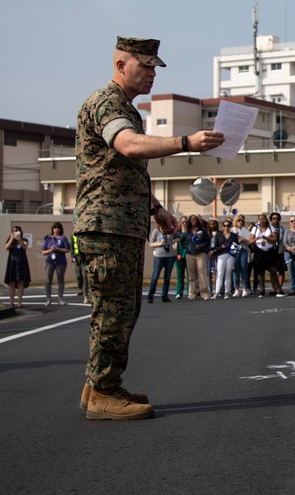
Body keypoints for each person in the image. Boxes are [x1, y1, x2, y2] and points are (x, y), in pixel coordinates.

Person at [75, 36, 224, 420]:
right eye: (145, 66)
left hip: (118, 224)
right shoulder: (107, 103)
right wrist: (186, 142)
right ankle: (104, 392)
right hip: (107, 226)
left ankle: (97, 386)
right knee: (116, 310)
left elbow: (124, 171)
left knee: (117, 307)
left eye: (155, 67)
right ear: (121, 64)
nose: (152, 74)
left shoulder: (124, 106)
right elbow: (127, 146)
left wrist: (156, 208)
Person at [250, 213, 281, 297]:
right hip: (259, 252)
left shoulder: (271, 228)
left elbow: (274, 239)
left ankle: (278, 290)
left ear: (266, 220)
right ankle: (261, 291)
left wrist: (266, 238)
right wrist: (256, 238)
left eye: (263, 219)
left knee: (273, 270)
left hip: (269, 252)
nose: (262, 221)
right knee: (260, 272)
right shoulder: (255, 229)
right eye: (260, 219)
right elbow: (250, 241)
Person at [182, 214, 211, 300]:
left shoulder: (202, 230)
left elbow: (207, 241)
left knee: (202, 274)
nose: (193, 220)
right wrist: (185, 246)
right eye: (192, 219)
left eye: (195, 219)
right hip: (190, 254)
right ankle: (192, 294)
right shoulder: (186, 232)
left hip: (200, 254)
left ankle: (204, 293)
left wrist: (202, 246)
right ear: (189, 221)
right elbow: (182, 241)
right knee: (191, 275)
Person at [41, 221, 71, 306]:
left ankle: (60, 298)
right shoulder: (48, 238)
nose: (56, 229)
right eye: (55, 228)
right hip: (50, 261)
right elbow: (43, 251)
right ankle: (48, 299)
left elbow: (67, 249)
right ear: (52, 229)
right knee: (48, 279)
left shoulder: (63, 238)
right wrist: (50, 250)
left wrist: (58, 249)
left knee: (60, 279)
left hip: (60, 261)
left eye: (58, 228)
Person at [146, 219, 175, 303]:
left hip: (170, 255)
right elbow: (151, 244)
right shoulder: (156, 231)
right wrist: (160, 244)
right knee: (155, 276)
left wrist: (173, 241)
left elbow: (180, 236)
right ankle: (150, 296)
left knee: (167, 277)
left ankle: (164, 296)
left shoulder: (171, 231)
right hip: (159, 256)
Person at [4, 225, 30, 308]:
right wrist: (12, 238)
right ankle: (11, 302)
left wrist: (19, 239)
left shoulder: (24, 240)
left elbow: (24, 246)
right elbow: (6, 247)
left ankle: (19, 302)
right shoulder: (10, 240)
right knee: (11, 282)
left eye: (16, 231)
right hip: (12, 262)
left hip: (21, 262)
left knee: (20, 282)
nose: (15, 232)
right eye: (13, 231)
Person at [211, 219, 237, 299]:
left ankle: (226, 292)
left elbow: (236, 246)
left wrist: (232, 250)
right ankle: (217, 292)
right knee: (220, 273)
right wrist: (221, 247)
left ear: (230, 227)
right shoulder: (219, 235)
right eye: (225, 225)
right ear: (223, 227)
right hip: (221, 255)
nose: (226, 227)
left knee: (228, 273)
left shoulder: (233, 235)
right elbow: (215, 247)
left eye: (228, 226)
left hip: (230, 255)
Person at [231, 214, 252, 297]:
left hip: (243, 250)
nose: (240, 222)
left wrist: (244, 240)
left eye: (242, 221)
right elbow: (229, 240)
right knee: (235, 269)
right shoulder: (232, 230)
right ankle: (236, 289)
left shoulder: (245, 231)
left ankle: (244, 289)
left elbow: (249, 242)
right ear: (235, 221)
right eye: (239, 220)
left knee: (244, 269)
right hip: (234, 251)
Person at [173, 216, 189, 299]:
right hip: (179, 255)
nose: (184, 223)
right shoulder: (177, 232)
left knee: (190, 275)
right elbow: (172, 242)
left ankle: (190, 291)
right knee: (180, 275)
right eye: (183, 222)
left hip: (188, 254)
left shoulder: (190, 232)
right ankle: (179, 292)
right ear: (180, 223)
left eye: (186, 222)